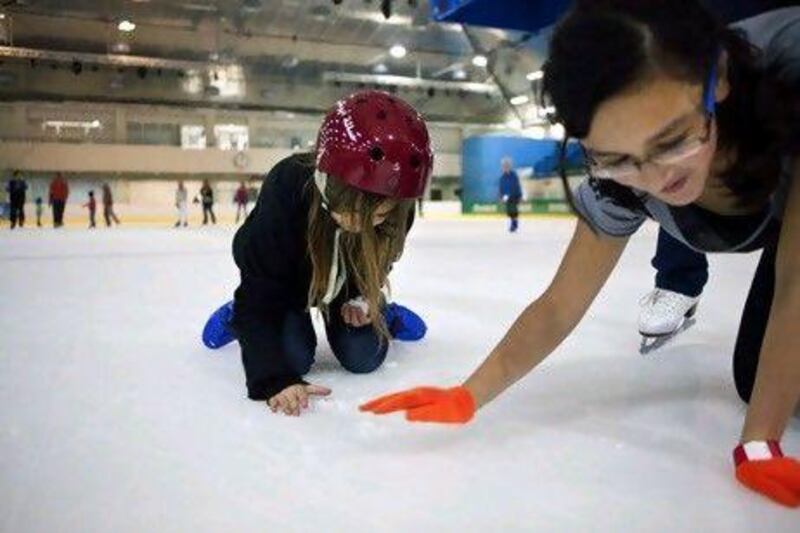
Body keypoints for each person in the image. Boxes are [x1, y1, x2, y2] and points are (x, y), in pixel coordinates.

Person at [361, 2, 800, 508]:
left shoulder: (789, 87)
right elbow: (559, 305)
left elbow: (795, 283)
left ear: (718, 78)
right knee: (756, 377)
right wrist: (470, 393)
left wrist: (758, 443)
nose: (656, 178)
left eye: (673, 140)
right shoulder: (618, 184)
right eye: (617, 159)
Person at [201, 91, 432, 416]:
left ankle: (385, 312)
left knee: (363, 357)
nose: (365, 225)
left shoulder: (397, 203)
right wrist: (274, 378)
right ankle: (236, 316)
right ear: (331, 183)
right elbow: (261, 285)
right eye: (355, 210)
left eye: (379, 215)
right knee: (294, 360)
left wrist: (367, 297)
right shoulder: (288, 186)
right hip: (285, 287)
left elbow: (382, 261)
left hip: (346, 288)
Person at [499, 157, 523, 232]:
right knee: (509, 211)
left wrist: (520, 195)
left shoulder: (514, 175)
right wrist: (501, 196)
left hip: (514, 195)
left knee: (514, 210)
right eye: (504, 166)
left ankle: (514, 224)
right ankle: (513, 223)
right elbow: (501, 187)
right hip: (506, 197)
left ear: (509, 166)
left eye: (507, 166)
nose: (505, 167)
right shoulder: (502, 177)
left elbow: (517, 185)